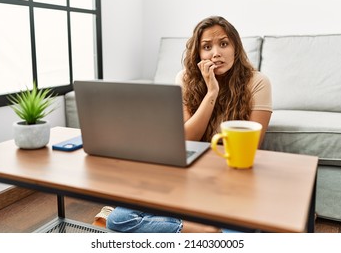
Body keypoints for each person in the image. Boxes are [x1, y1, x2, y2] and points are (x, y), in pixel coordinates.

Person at [94, 16, 272, 233]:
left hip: (230, 179)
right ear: (198, 54)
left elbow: (253, 146)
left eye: (224, 44)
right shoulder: (185, 78)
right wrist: (212, 92)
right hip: (190, 173)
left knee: (242, 234)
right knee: (119, 219)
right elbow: (188, 138)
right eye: (207, 47)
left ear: (236, 47)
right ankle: (202, 231)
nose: (216, 53)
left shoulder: (258, 82)